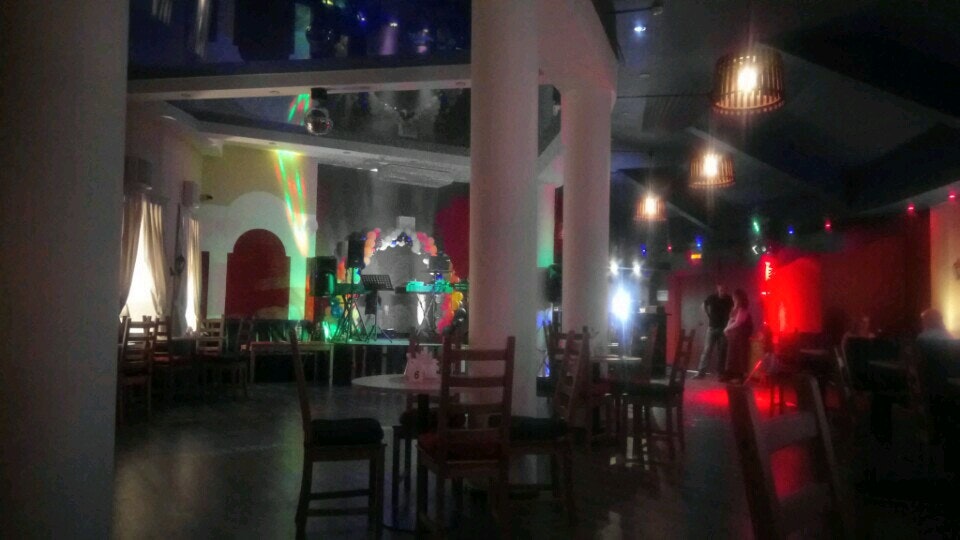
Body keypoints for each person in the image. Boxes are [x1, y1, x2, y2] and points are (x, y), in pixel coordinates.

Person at [695, 284, 734, 379]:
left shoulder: (729, 299)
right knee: (707, 350)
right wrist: (708, 315)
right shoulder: (712, 297)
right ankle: (701, 373)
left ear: (727, 289)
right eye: (721, 289)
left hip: (724, 328)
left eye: (725, 289)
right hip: (712, 327)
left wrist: (731, 318)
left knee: (722, 351)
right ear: (718, 288)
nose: (723, 291)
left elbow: (734, 309)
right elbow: (703, 305)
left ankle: (720, 373)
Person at [722, 289, 754, 382]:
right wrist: (727, 329)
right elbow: (731, 320)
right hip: (734, 335)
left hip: (741, 334)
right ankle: (730, 374)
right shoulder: (734, 308)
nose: (733, 298)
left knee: (740, 354)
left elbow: (738, 322)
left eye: (734, 297)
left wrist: (727, 329)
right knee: (731, 354)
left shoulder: (743, 308)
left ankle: (741, 376)